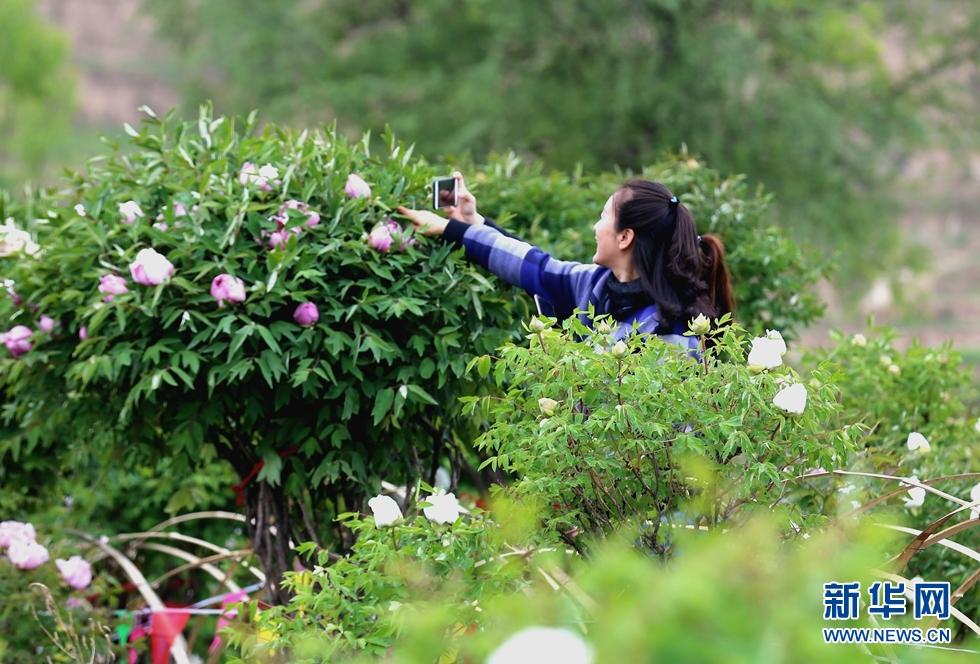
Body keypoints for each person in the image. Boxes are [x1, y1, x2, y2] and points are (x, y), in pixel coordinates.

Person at [396, 172, 734, 353]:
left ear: (624, 237)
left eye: (603, 217)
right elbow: (534, 267)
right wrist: (468, 225)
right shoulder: (596, 283)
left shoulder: (671, 327)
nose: (595, 226)